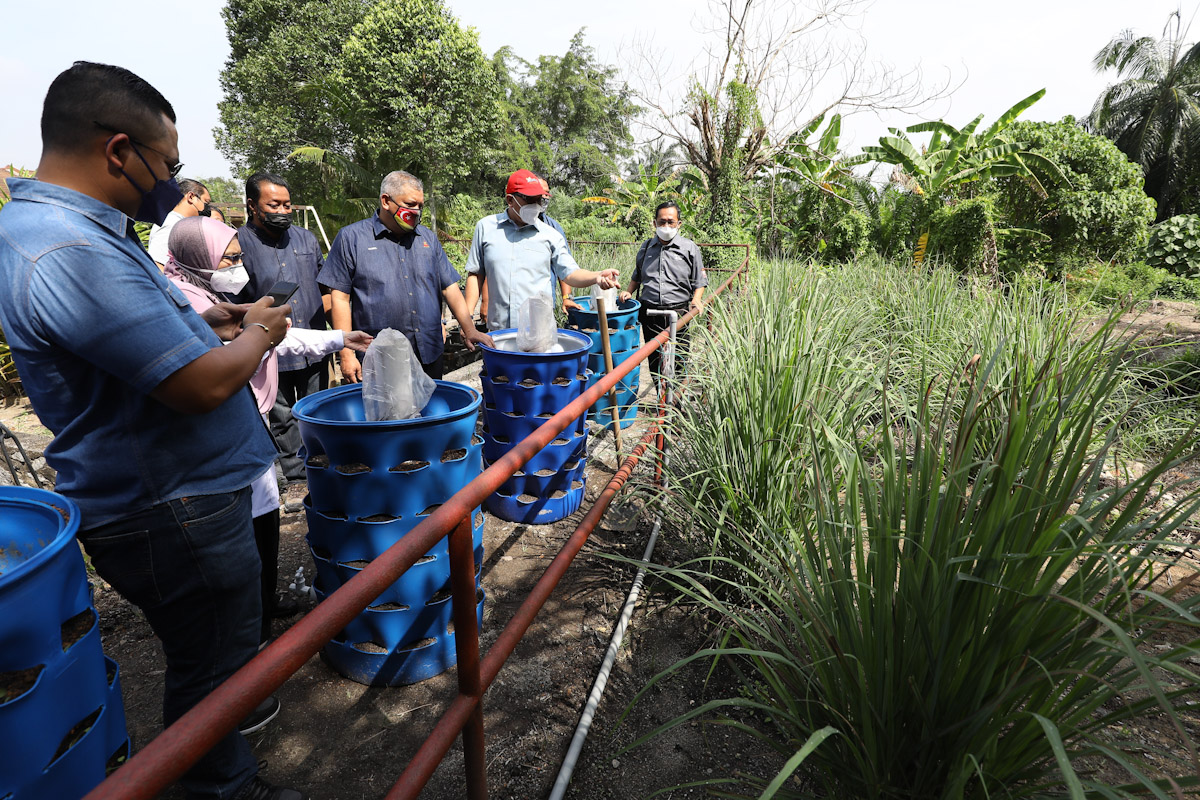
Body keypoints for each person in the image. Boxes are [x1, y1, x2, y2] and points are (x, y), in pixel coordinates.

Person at [0, 62, 305, 800]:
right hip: (172, 504)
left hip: (174, 497)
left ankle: (218, 774)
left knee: (212, 658)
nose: (171, 182)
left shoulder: (62, 232)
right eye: (166, 165)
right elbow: (199, 386)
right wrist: (259, 333)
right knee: (213, 668)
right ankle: (218, 788)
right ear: (118, 150)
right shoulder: (67, 248)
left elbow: (131, 352)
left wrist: (212, 321)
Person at [165, 216, 372, 642]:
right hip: (221, 434)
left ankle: (263, 603)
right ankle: (252, 634)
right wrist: (265, 334)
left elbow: (275, 340)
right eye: (228, 259)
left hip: (247, 425)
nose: (237, 267)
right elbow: (244, 352)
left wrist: (339, 339)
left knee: (263, 519)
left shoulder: (215, 295)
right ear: (197, 257)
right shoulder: (184, 303)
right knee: (244, 532)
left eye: (238, 257)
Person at [320, 170, 493, 381]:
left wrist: (469, 329)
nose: (417, 211)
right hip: (380, 358)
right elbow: (339, 298)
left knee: (432, 402)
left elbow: (449, 287)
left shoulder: (427, 239)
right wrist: (346, 353)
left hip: (428, 353)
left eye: (420, 206)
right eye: (410, 204)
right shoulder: (351, 239)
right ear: (386, 201)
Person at [235, 172, 330, 484]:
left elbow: (325, 287)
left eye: (287, 205)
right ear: (253, 205)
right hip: (270, 349)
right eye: (274, 205)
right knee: (283, 417)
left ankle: (322, 469)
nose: (283, 211)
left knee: (317, 410)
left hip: (312, 344)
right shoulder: (238, 244)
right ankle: (296, 478)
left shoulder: (306, 239)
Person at [464, 169, 619, 331]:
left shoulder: (551, 235)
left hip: (539, 332)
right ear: (510, 200)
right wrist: (467, 319)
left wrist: (597, 276)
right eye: (529, 199)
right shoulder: (486, 228)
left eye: (539, 199)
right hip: (500, 332)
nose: (536, 205)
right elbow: (476, 274)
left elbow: (571, 274)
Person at [619, 200, 707, 379]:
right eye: (662, 222)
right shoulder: (646, 248)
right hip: (650, 313)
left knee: (679, 358)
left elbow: (700, 280)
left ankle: (677, 395)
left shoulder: (689, 248)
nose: (666, 226)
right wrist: (628, 291)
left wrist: (697, 299)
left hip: (679, 312)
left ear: (679, 224)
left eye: (671, 222)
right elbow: (637, 275)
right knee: (654, 358)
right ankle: (661, 393)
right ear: (655, 223)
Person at [146, 177, 211, 267]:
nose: (208, 208)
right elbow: (159, 264)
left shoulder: (180, 223)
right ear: (191, 197)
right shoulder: (171, 224)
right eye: (206, 202)